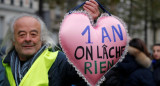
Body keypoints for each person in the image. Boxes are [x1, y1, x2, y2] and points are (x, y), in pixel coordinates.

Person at [0, 0, 100, 86]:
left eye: (33, 34)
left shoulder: (59, 60)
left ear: (42, 38)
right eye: (21, 34)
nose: (28, 39)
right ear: (13, 40)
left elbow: (90, 77)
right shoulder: (3, 64)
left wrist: (92, 26)